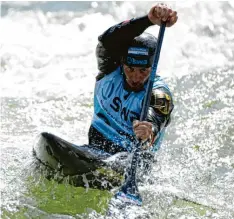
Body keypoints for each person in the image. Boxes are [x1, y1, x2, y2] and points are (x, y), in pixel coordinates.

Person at [88, 3, 178, 156]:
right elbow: (107, 40)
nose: (136, 77)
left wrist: (148, 129)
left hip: (132, 160)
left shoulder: (159, 94)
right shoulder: (109, 69)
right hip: (95, 147)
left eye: (143, 70)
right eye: (130, 69)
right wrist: (148, 20)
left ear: (152, 68)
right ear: (122, 63)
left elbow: (156, 117)